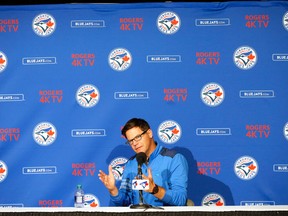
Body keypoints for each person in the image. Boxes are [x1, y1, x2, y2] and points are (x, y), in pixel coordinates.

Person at [98, 118, 189, 207]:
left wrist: (155, 189)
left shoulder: (174, 159)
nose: (135, 143)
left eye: (138, 137)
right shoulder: (131, 164)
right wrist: (113, 190)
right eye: (131, 141)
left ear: (149, 133)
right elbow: (125, 201)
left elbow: (181, 200)